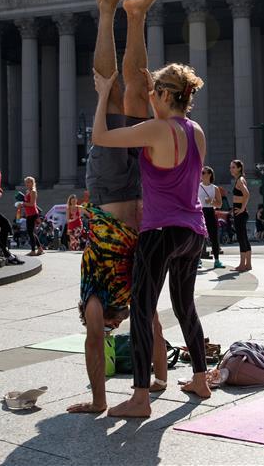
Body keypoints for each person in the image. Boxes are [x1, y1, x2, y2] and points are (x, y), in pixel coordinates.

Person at [67, 0, 170, 415]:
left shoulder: (95, 298)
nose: (113, 325)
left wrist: (97, 401)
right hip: (137, 187)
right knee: (137, 92)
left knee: (108, 90)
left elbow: (94, 341)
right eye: (114, 325)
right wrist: (162, 379)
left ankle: (106, 10)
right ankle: (136, 14)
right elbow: (156, 328)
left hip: (109, 187)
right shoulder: (130, 299)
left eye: (112, 326)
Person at [92, 61, 211, 418]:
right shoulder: (196, 131)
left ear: (162, 95)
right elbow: (177, 167)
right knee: (184, 306)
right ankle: (201, 379)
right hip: (194, 230)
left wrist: (102, 97)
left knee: (142, 312)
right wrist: (152, 92)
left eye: (154, 93)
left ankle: (140, 398)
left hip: (160, 232)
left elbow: (102, 136)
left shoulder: (156, 131)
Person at [199, 166, 224, 268]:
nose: (201, 175)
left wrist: (212, 201)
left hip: (210, 212)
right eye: (201, 173)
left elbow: (219, 204)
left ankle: (217, 260)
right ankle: (198, 260)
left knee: (214, 237)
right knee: (199, 237)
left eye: (203, 172)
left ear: (209, 174)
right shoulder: (197, 186)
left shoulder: (215, 188)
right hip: (199, 212)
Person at [229, 159, 252, 272]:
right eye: (230, 167)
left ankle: (243, 264)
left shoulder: (239, 180)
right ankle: (248, 264)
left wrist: (242, 209)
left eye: (233, 167)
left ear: (239, 168)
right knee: (244, 238)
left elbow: (247, 194)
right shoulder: (240, 179)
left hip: (240, 213)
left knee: (241, 238)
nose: (231, 169)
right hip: (240, 213)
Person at [22, 176, 44, 256]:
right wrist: (22, 204)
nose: (27, 184)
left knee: (30, 232)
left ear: (32, 183)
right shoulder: (28, 191)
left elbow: (32, 204)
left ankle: (33, 250)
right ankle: (40, 248)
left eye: (28, 182)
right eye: (26, 182)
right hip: (29, 213)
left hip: (33, 213)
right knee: (31, 232)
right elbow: (28, 203)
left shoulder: (33, 191)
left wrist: (23, 203)